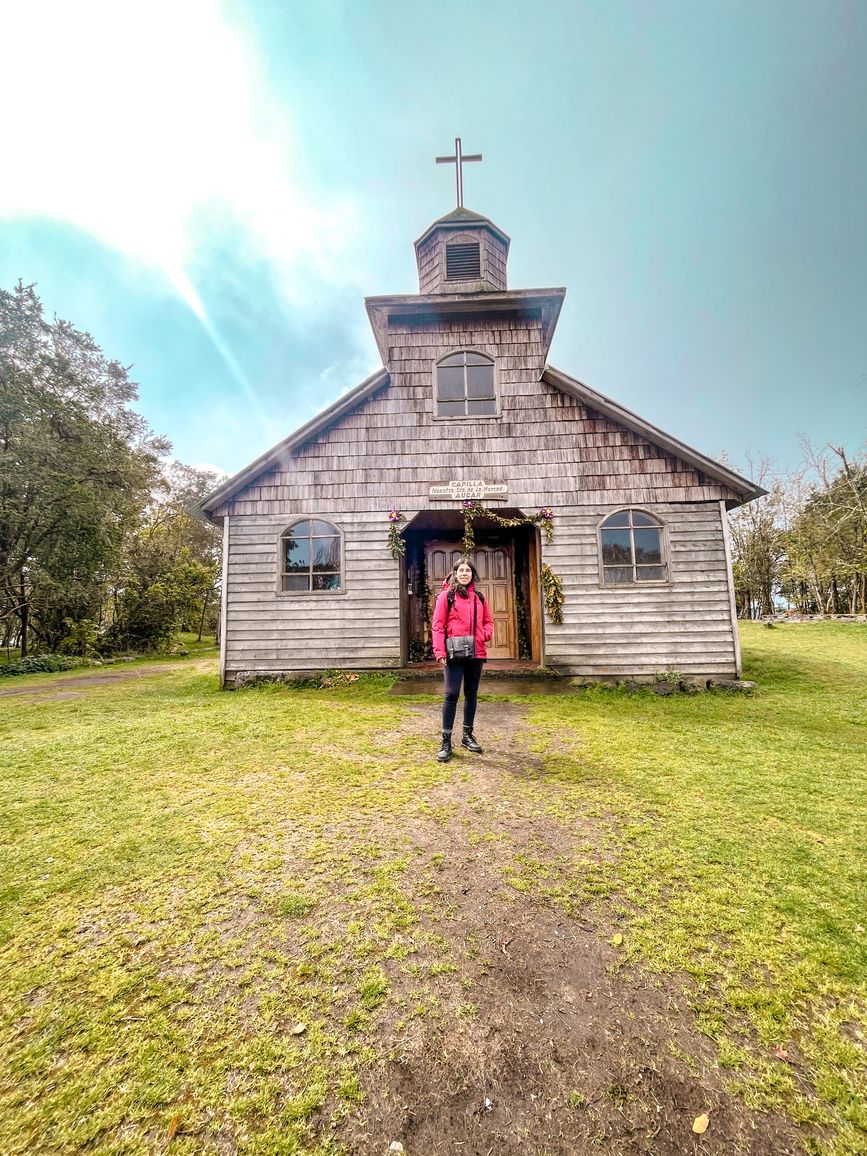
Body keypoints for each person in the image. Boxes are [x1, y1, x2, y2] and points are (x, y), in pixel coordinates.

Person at [431, 558, 494, 762]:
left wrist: (484, 634)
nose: (464, 574)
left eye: (468, 570)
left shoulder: (480, 597)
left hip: (476, 653)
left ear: (472, 574)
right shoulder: (446, 596)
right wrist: (440, 651)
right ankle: (446, 741)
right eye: (461, 570)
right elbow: (438, 626)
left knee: (471, 694)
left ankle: (467, 736)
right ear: (455, 573)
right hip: (453, 654)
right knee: (451, 695)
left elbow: (488, 622)